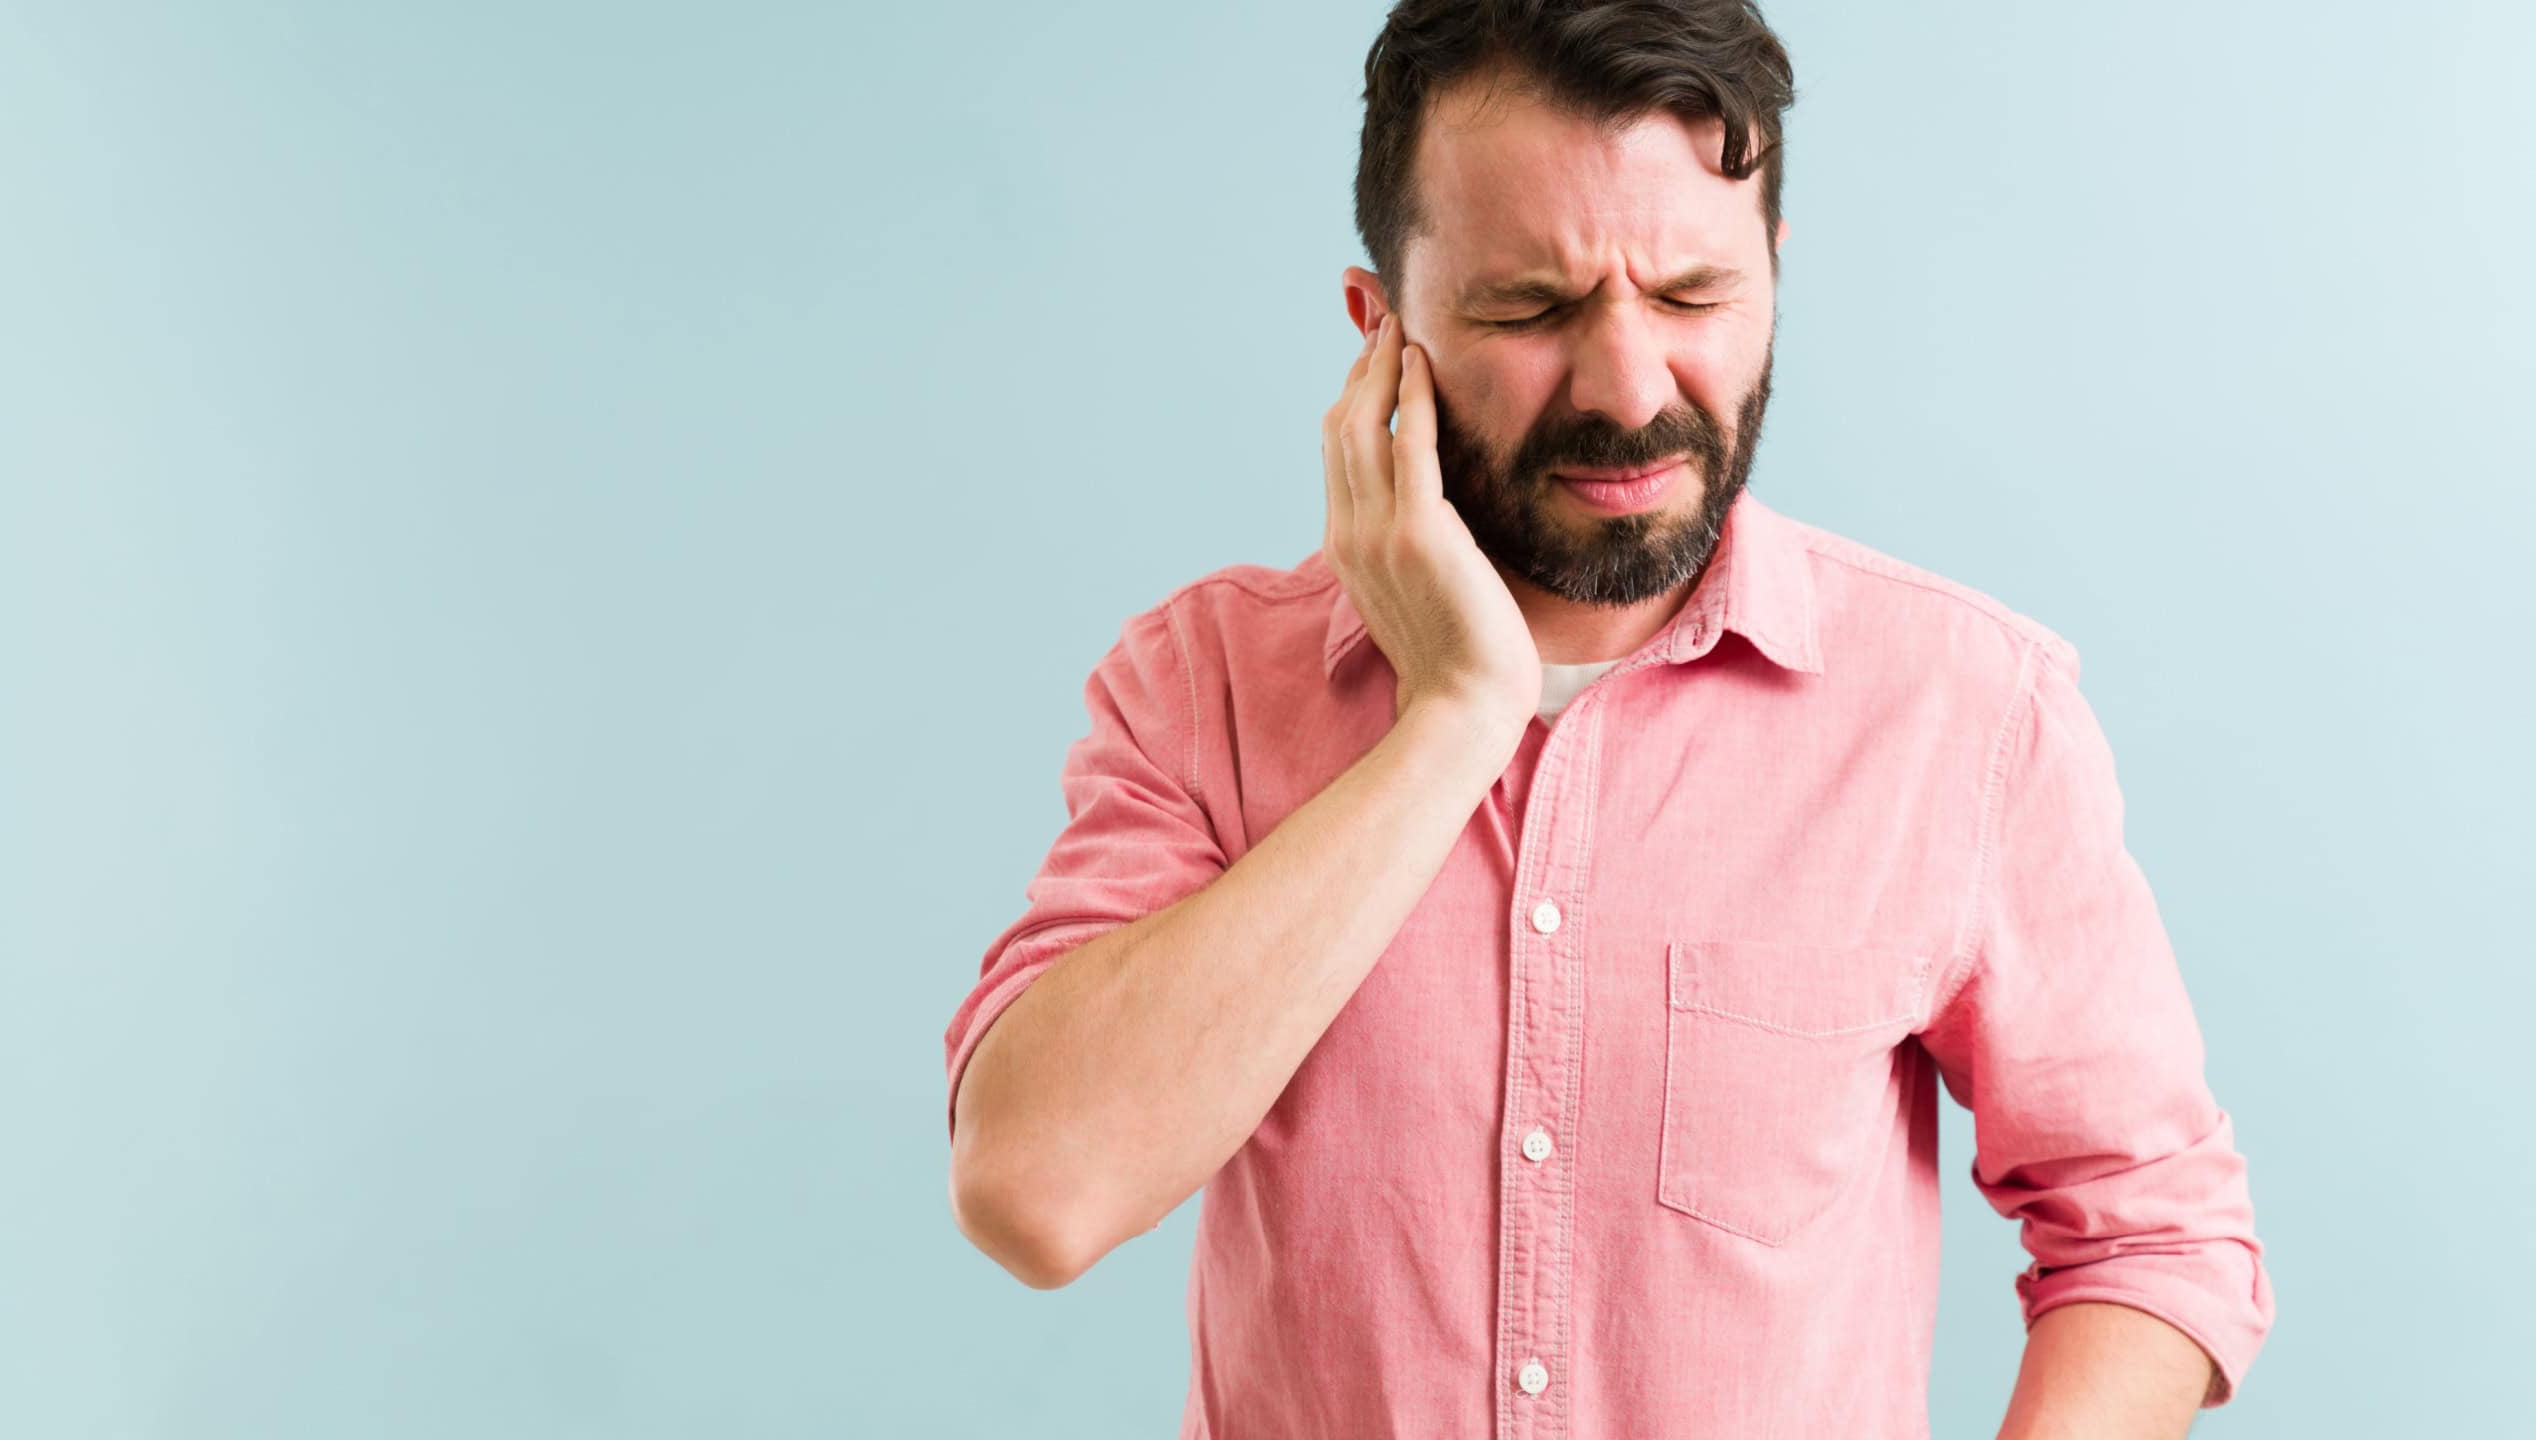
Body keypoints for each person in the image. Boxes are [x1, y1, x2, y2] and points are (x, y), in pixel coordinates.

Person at [941, 2, 2275, 1434]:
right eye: (1532, 309)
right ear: (1378, 330)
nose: (1632, 391)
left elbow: (2153, 1235)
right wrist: (1454, 716)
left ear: (1775, 272)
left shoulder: (1963, 710)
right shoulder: (1202, 685)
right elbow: (1040, 1193)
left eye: (1694, 298)